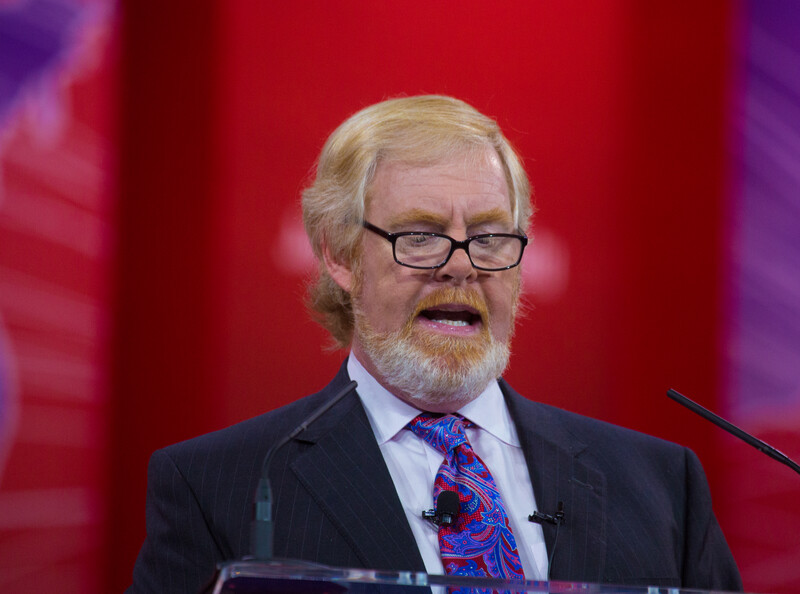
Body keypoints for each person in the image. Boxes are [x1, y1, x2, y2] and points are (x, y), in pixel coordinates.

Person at [128, 96, 742, 593]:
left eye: (489, 236)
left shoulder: (661, 483)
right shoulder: (219, 485)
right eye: (420, 236)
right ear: (341, 256)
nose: (460, 267)